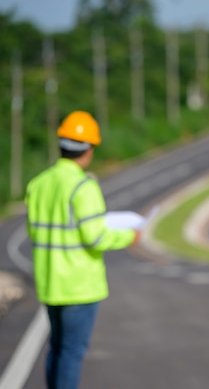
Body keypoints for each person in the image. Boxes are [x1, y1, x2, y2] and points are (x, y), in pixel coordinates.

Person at [25, 110, 141, 389]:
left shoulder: (38, 184)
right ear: (89, 148)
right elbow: (95, 237)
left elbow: (34, 232)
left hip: (50, 282)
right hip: (79, 285)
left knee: (57, 348)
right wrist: (128, 237)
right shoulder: (83, 187)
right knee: (71, 352)